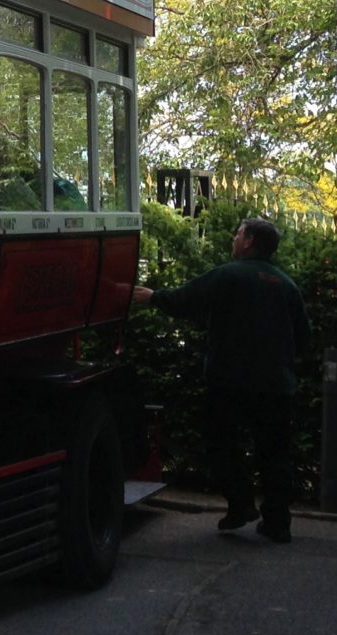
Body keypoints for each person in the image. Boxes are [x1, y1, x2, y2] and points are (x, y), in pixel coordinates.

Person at [133, 218, 312, 543]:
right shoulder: (287, 285)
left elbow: (187, 299)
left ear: (249, 240)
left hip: (230, 381)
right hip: (277, 384)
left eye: (238, 233)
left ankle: (240, 504)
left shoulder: (229, 275)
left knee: (221, 444)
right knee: (275, 454)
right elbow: (304, 338)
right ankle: (278, 523)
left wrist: (153, 297)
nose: (234, 238)